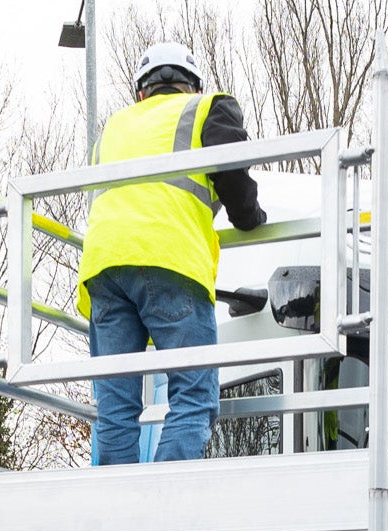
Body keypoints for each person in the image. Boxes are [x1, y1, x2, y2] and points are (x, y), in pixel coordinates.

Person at [77, 41, 267, 466]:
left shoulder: (113, 126)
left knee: (116, 408)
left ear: (141, 91)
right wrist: (251, 217)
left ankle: (119, 510)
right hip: (169, 260)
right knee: (194, 394)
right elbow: (233, 174)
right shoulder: (207, 108)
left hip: (103, 269)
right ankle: (162, 507)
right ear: (191, 84)